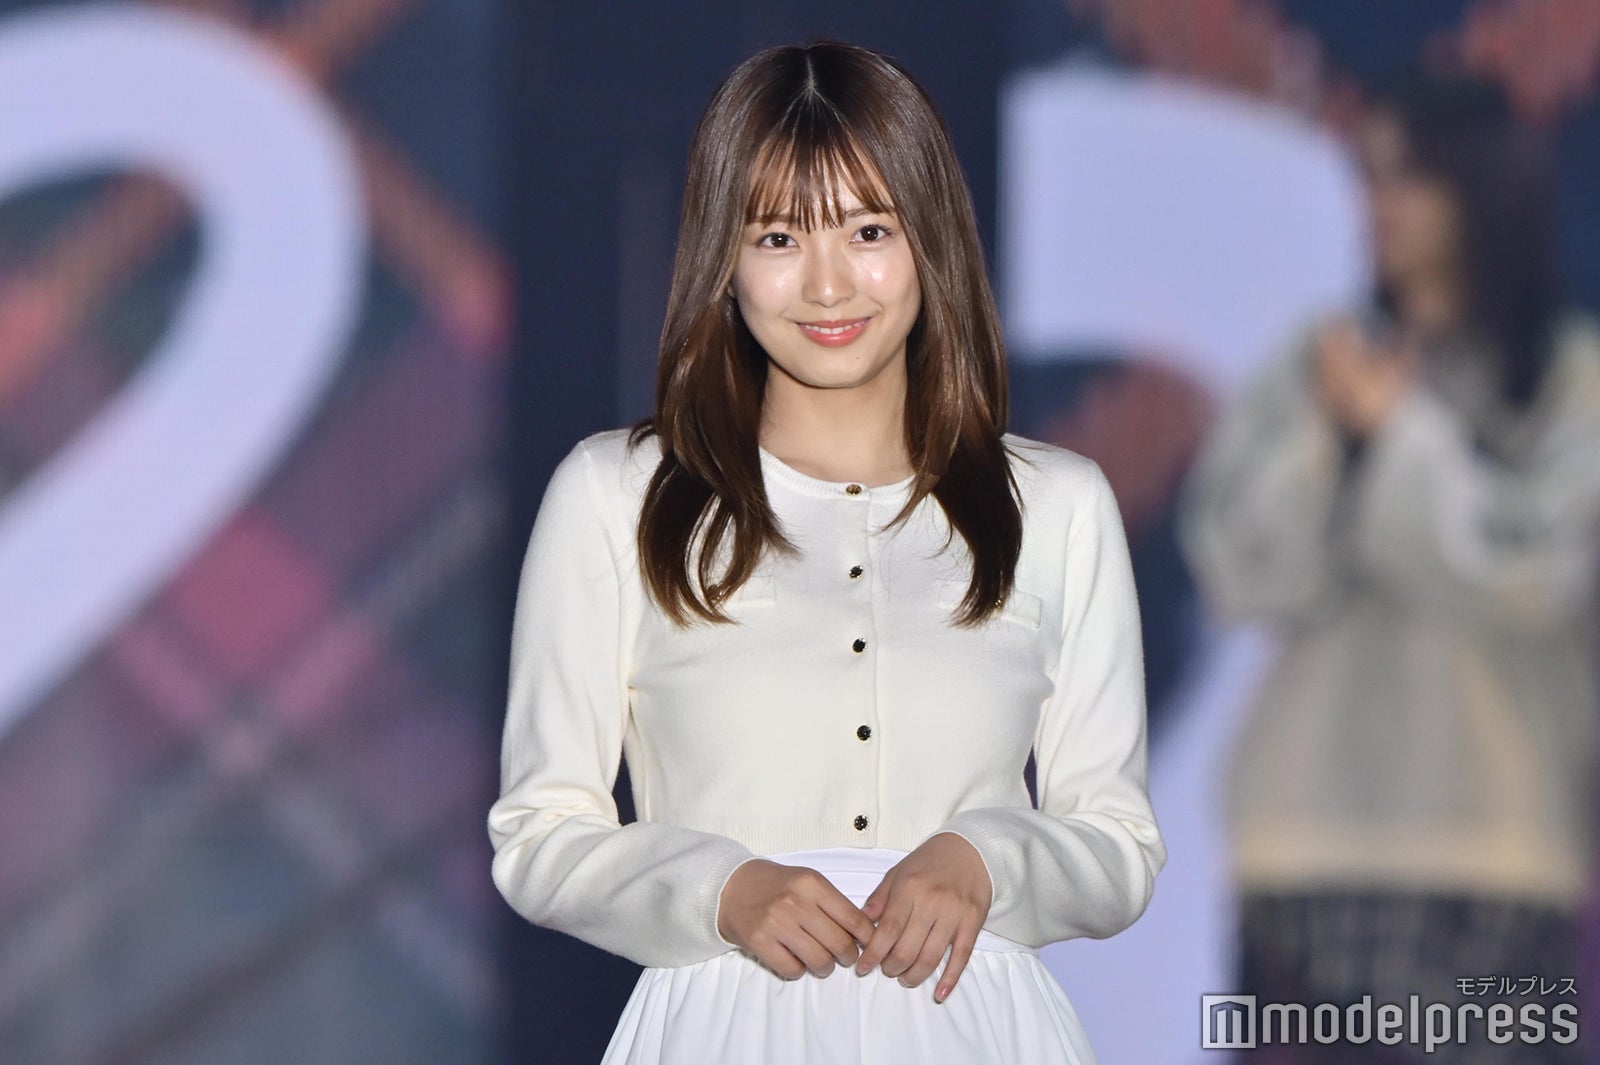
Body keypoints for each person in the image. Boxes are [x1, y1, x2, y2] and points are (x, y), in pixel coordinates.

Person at [488, 39, 1166, 1064]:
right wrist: (721, 890)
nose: (828, 282)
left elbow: (1118, 846)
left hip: (976, 1029)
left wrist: (986, 860)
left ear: (931, 241)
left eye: (868, 230)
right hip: (724, 1026)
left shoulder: (1057, 506)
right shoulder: (614, 494)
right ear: (723, 259)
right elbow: (539, 838)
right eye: (777, 236)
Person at [1178, 71, 1600, 1064]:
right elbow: (1238, 571)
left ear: (1481, 184)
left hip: (1499, 861)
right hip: (1300, 855)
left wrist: (1398, 433)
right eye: (1368, 177)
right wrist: (1328, 441)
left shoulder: (1571, 379)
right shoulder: (1317, 361)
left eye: (1409, 176)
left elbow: (1530, 580)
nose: (1381, 205)